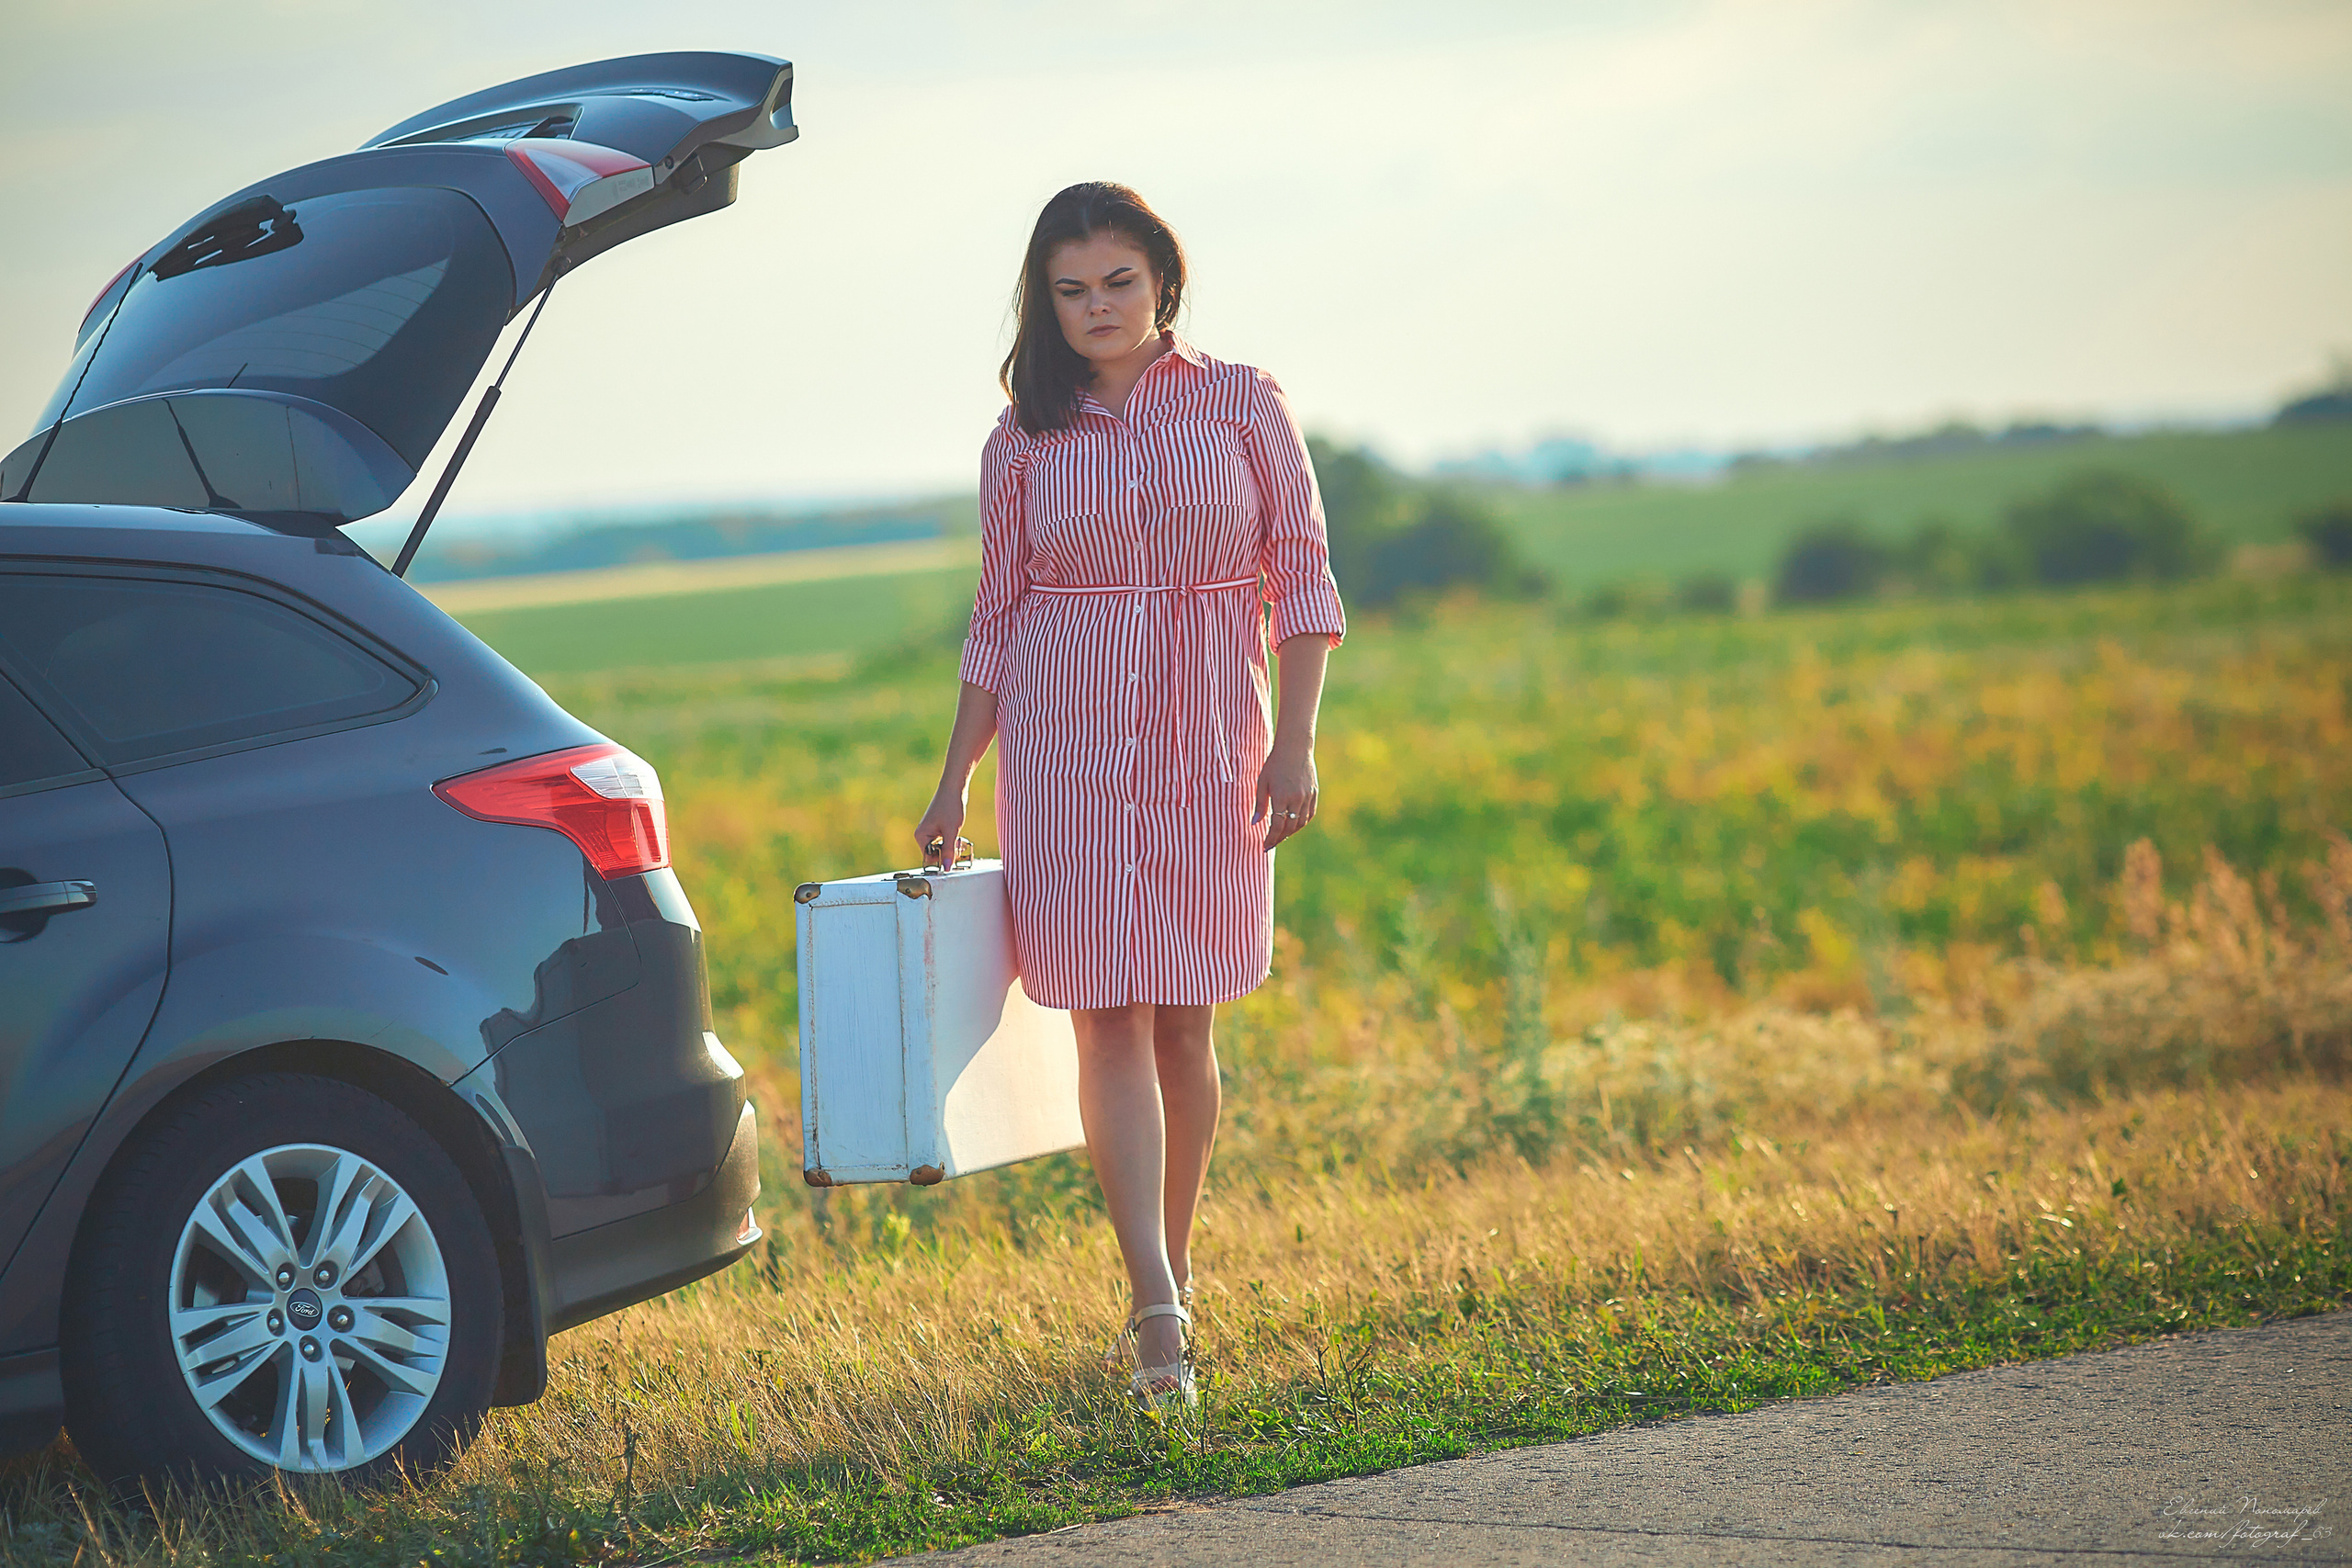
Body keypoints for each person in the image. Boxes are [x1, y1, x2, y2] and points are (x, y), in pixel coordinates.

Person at [915, 181, 1345, 1409]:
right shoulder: (1021, 441)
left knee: (1186, 1022)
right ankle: (1155, 1307)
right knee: (1105, 1018)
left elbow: (1305, 577)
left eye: (1117, 282)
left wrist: (1297, 744)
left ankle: (1177, 1269)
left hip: (1213, 742)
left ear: (1163, 280)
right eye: (1071, 290)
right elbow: (998, 620)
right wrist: (954, 781)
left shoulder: (1244, 402)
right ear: (1043, 303)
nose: (1097, 307)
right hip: (1065, 757)